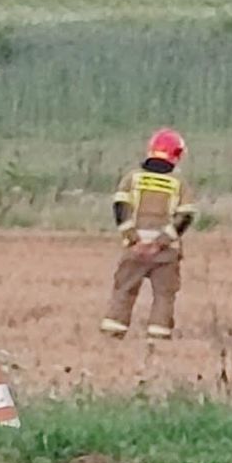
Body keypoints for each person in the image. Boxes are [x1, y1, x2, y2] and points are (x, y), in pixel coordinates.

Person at [100, 129, 195, 340]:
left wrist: (133, 240)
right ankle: (158, 336)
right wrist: (160, 243)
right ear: (176, 155)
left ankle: (113, 333)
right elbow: (185, 217)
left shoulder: (131, 179)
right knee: (164, 296)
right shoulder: (179, 184)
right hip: (166, 253)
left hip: (134, 250)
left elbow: (120, 209)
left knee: (124, 290)